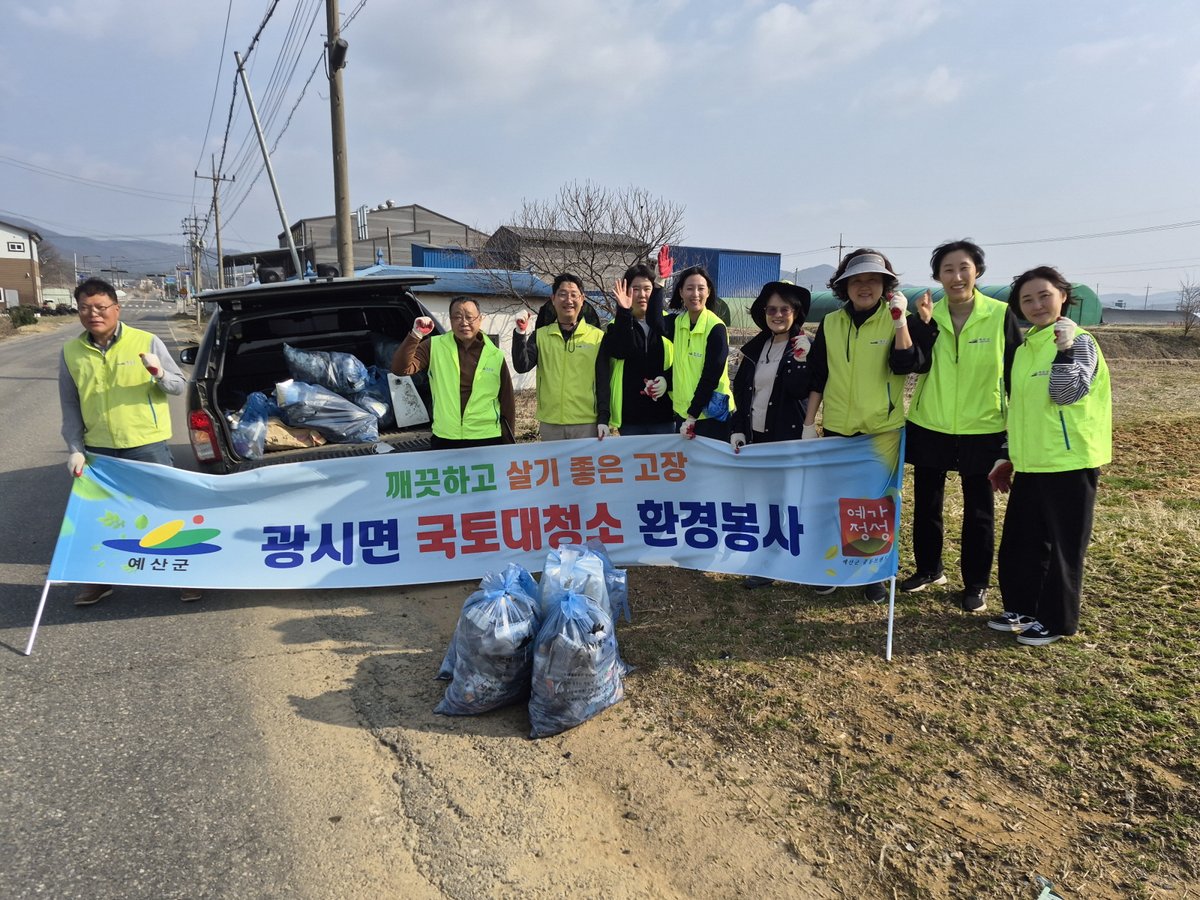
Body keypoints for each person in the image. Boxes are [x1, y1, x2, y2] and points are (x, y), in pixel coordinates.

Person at [986, 266, 1111, 646]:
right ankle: (1022, 609)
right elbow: (1021, 408)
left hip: (1069, 461)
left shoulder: (1080, 341)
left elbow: (1066, 393)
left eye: (1044, 296)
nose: (1037, 305)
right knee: (1022, 541)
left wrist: (1065, 349)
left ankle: (1056, 621)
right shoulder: (1027, 346)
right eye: (1027, 299)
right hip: (1032, 461)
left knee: (1063, 547)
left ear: (1063, 296)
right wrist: (1007, 454)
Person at [900, 240, 1025, 613]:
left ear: (977, 271)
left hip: (983, 426)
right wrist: (920, 324)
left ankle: (976, 584)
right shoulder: (927, 315)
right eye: (948, 270)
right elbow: (914, 363)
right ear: (937, 276)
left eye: (964, 268)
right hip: (930, 422)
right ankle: (929, 569)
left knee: (979, 510)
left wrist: (1012, 430)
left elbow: (1015, 373)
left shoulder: (1000, 314)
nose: (956, 277)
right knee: (927, 505)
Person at [59, 278, 200, 606]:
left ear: (116, 309)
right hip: (99, 449)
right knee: (102, 516)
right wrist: (75, 450)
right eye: (85, 308)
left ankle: (184, 575)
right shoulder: (71, 352)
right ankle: (100, 580)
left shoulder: (146, 341)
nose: (93, 314)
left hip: (146, 443)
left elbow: (179, 386)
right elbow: (70, 405)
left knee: (163, 511)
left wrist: (159, 374)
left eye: (100, 307)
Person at [802, 249, 925, 602]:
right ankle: (835, 568)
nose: (864, 286)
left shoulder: (898, 318)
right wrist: (810, 423)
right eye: (856, 281)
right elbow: (819, 375)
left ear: (886, 285)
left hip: (880, 428)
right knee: (838, 499)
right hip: (838, 425)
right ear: (844, 287)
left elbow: (907, 364)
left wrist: (900, 322)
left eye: (873, 280)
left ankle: (872, 573)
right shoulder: (831, 323)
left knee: (875, 504)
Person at [729, 281, 814, 589]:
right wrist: (738, 427)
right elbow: (742, 391)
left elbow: (800, 390)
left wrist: (802, 361)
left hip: (786, 435)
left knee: (787, 501)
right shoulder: (756, 348)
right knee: (762, 500)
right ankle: (766, 557)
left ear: (796, 313)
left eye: (784, 309)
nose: (777, 315)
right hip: (756, 435)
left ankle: (788, 560)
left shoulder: (803, 345)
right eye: (771, 309)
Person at [391, 295, 516, 448]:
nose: (464, 322)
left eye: (469, 317)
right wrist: (416, 335)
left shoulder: (495, 355)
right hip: (446, 437)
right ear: (450, 320)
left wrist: (509, 443)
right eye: (457, 317)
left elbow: (507, 400)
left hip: (487, 437)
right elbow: (400, 369)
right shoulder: (434, 346)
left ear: (480, 319)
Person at [511, 273, 610, 441]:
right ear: (553, 299)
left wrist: (603, 419)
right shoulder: (541, 336)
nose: (568, 300)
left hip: (586, 424)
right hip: (551, 423)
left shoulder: (597, 337)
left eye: (574, 295)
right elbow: (522, 366)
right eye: (562, 294)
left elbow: (603, 382)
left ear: (582, 299)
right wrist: (520, 333)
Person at [602, 260, 675, 436]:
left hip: (665, 415)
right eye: (635, 289)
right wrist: (624, 312)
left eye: (647, 289)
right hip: (630, 418)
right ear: (626, 291)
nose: (642, 294)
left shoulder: (670, 324)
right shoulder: (615, 326)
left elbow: (683, 364)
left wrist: (667, 381)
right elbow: (622, 351)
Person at [665, 265, 735, 442]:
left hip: (712, 416)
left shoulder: (716, 328)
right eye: (689, 288)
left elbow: (711, 376)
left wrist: (692, 416)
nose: (695, 294)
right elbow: (653, 319)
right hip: (684, 414)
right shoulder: (678, 323)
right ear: (681, 292)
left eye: (701, 288)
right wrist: (659, 282)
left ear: (708, 292)